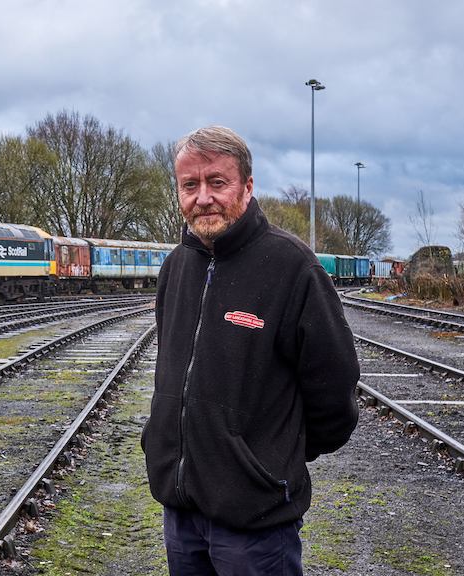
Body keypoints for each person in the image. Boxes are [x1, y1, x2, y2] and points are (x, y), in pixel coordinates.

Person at [141, 125, 359, 575]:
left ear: (247, 186)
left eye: (217, 182)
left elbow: (335, 393)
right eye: (190, 185)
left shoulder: (292, 267)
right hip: (181, 511)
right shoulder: (175, 267)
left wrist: (268, 462)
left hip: (255, 524)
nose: (203, 197)